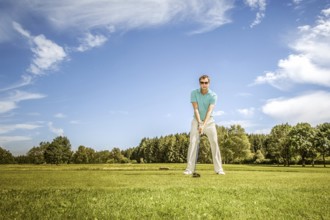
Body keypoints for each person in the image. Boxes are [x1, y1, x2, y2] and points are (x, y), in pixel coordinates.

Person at [184, 75, 225, 175]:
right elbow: (196, 109)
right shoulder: (194, 93)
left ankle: (219, 169)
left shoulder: (213, 95)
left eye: (206, 83)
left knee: (214, 143)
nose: (204, 85)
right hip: (196, 120)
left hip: (209, 121)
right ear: (199, 83)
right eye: (202, 83)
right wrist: (199, 123)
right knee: (193, 143)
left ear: (209, 83)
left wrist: (203, 124)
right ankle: (189, 169)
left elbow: (209, 111)